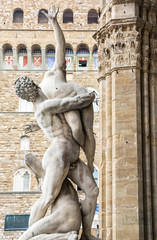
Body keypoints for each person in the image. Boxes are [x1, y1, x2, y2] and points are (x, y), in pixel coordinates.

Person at [15, 76, 99, 240]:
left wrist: (35, 126)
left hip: (71, 156)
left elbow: (54, 121)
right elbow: (70, 103)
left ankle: (87, 234)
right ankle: (27, 236)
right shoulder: (45, 106)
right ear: (35, 87)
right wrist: (89, 96)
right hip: (58, 154)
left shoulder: (42, 108)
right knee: (48, 197)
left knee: (92, 191)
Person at [40, 6, 95, 174]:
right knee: (76, 129)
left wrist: (54, 22)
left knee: (87, 130)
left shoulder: (56, 70)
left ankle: (91, 162)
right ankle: (75, 157)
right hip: (65, 107)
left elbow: (60, 44)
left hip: (78, 94)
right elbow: (47, 116)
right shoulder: (41, 92)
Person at [19, 153, 81, 240]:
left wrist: (31, 228)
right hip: (75, 220)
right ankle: (66, 236)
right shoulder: (59, 172)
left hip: (64, 216)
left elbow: (46, 200)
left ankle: (67, 236)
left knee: (24, 238)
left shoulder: (48, 176)